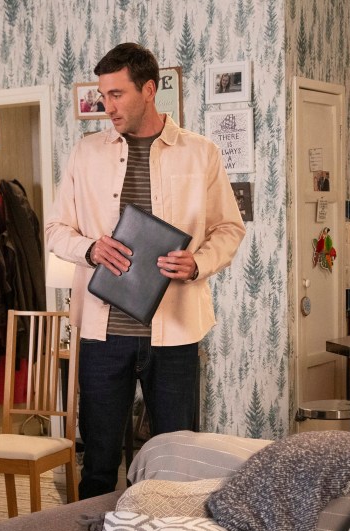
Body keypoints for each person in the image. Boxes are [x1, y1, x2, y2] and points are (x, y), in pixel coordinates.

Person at [46, 43, 245, 499]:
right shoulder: (86, 153)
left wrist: (198, 262)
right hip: (102, 335)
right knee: (97, 465)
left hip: (175, 335)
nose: (107, 106)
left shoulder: (201, 153)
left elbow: (229, 228)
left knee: (179, 464)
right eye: (103, 94)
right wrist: (91, 248)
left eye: (116, 94)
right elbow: (55, 229)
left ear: (149, 90)